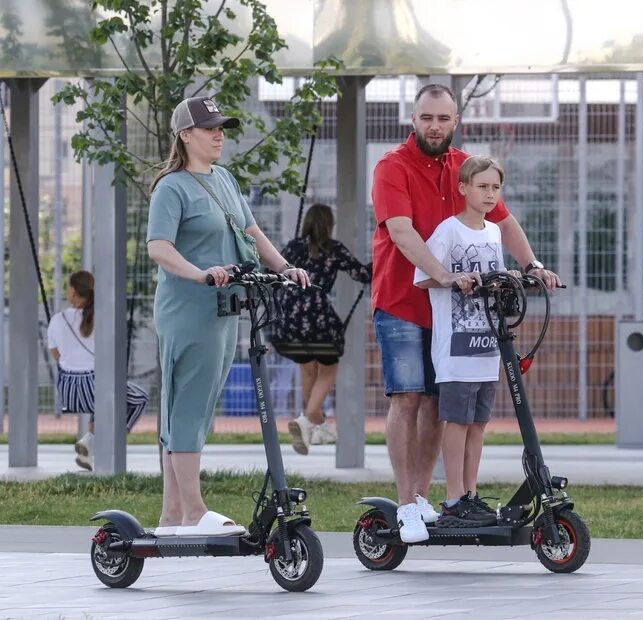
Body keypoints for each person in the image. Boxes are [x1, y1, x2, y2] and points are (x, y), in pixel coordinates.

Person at [371, 83, 561, 543]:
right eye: (426, 117)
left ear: (456, 121)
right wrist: (444, 274)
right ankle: (406, 504)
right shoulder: (391, 167)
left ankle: (429, 495)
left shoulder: (467, 168)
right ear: (413, 120)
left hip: (455, 310)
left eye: (443, 118)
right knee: (408, 397)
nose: (435, 125)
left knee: (442, 402)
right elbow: (400, 231)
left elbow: (503, 219)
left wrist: (531, 265)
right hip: (402, 300)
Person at [146, 95, 309, 537]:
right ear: (185, 135)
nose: (219, 134)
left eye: (222, 127)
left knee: (196, 407)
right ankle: (194, 510)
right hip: (188, 309)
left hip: (224, 309)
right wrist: (200, 274)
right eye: (209, 128)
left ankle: (172, 515)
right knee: (188, 404)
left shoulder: (224, 178)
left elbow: (251, 231)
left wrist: (284, 268)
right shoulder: (172, 187)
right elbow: (158, 247)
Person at [414, 156, 518, 527]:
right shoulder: (448, 231)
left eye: (495, 188)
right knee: (456, 422)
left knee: (478, 423)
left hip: (487, 345)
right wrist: (454, 278)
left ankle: (471, 494)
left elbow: (495, 275)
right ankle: (454, 497)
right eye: (482, 186)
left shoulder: (493, 232)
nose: (489, 194)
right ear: (463, 188)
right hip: (456, 347)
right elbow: (423, 276)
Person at [271, 203, 372, 454]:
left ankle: (316, 424)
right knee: (328, 371)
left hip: (291, 321)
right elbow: (362, 274)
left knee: (308, 371)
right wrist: (382, 256)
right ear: (329, 224)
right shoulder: (333, 249)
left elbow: (272, 271)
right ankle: (309, 419)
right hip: (319, 319)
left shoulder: (293, 247)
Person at [47, 270, 149, 471]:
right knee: (140, 398)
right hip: (94, 387)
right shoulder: (102, 319)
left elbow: (56, 355)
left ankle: (90, 442)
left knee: (102, 396)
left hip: (68, 391)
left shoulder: (58, 319)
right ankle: (107, 439)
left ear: (73, 292)